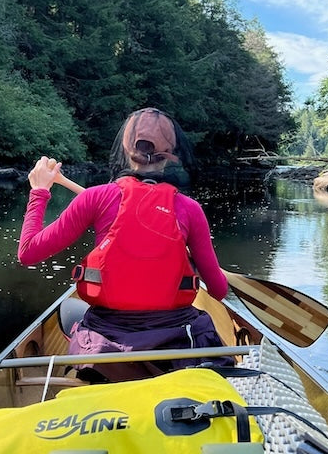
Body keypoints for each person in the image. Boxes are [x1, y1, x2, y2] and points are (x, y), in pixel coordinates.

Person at [18, 107, 231, 381]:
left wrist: (39, 192)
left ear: (125, 147)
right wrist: (193, 266)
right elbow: (218, 291)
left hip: (106, 348)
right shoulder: (189, 209)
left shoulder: (94, 198)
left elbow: (27, 253)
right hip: (178, 347)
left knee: (70, 311)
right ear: (171, 153)